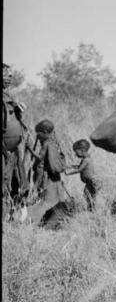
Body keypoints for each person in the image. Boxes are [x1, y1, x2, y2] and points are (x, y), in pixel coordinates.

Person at [2, 63, 29, 218]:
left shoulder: (9, 97)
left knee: (16, 179)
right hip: (5, 151)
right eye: (6, 74)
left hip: (12, 150)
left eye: (10, 75)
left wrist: (18, 110)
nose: (9, 77)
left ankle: (14, 211)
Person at [26, 119, 67, 206]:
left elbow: (40, 158)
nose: (37, 135)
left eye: (38, 133)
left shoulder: (46, 144)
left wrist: (29, 149)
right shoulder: (53, 141)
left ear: (44, 132)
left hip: (43, 173)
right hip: (51, 174)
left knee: (39, 189)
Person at [65, 139, 102, 211]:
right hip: (90, 182)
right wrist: (70, 167)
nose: (76, 154)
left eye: (76, 152)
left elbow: (79, 169)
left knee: (90, 196)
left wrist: (68, 173)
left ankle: (92, 210)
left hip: (92, 182)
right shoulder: (86, 159)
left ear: (82, 150)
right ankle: (91, 209)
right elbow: (79, 166)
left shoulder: (86, 160)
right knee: (87, 195)